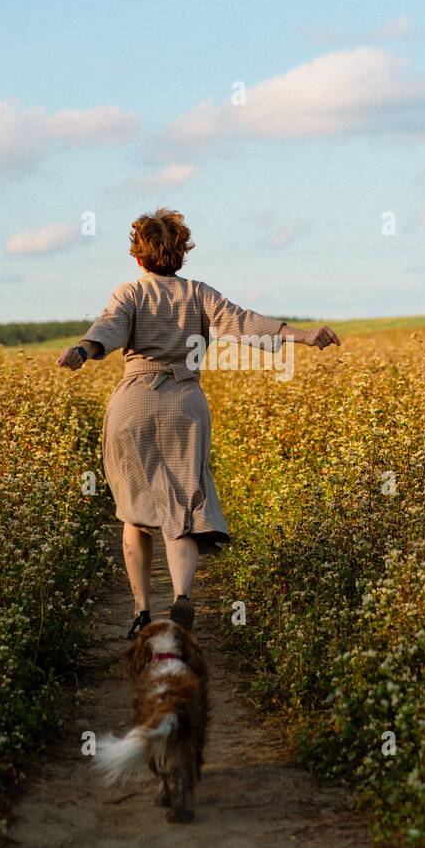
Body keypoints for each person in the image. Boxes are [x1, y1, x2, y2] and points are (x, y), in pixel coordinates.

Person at [58, 208, 340, 637]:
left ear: (138, 258)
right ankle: (182, 597)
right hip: (185, 403)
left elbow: (109, 328)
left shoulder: (130, 293)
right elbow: (245, 324)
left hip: (134, 403)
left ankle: (140, 613)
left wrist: (84, 349)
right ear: (181, 254)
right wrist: (301, 335)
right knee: (183, 505)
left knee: (134, 513)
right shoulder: (199, 295)